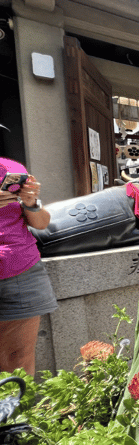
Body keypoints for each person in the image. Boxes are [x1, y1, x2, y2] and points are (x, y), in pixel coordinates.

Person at [0, 157, 57, 376]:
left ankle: (19, 400)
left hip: (22, 270)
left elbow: (41, 224)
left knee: (19, 359)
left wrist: (31, 203)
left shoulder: (12, 169)